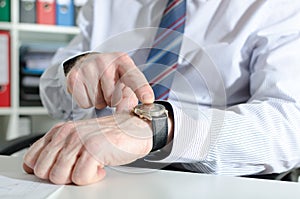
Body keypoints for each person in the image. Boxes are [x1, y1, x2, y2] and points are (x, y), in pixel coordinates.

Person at [23, 0, 300, 185]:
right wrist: (77, 69)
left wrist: (157, 127)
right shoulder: (105, 4)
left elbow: (290, 123)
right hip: (91, 174)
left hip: (208, 182)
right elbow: (51, 92)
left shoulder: (278, 7)